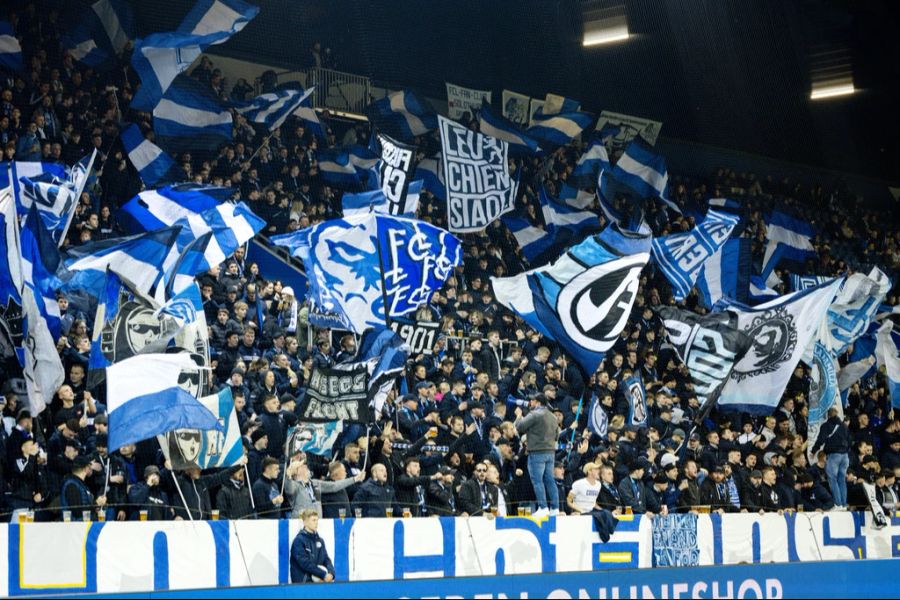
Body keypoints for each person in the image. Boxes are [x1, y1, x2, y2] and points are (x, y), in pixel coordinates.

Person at [514, 393, 560, 518]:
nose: (530, 403)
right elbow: (557, 435)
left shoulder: (534, 414)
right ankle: (555, 508)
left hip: (537, 452)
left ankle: (543, 507)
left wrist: (518, 416)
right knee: (550, 480)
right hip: (550, 452)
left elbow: (519, 427)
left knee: (537, 481)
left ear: (538, 402)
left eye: (532, 401)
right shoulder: (553, 416)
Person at [284, 456, 364, 518]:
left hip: (318, 521)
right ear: (296, 471)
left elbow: (334, 486)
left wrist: (355, 479)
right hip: (300, 522)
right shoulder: (294, 485)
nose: (306, 466)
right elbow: (289, 488)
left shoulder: (315, 483)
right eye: (302, 466)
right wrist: (288, 475)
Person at [811, 407, 850, 510]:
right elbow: (850, 440)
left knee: (832, 479)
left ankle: (837, 504)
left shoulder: (826, 425)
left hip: (833, 455)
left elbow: (821, 439)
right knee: (842, 479)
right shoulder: (844, 426)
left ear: (828, 415)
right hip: (845, 456)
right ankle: (844, 504)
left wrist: (814, 450)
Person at [290, 509, 335, 583]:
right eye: (313, 520)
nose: (316, 523)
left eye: (317, 520)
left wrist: (331, 573)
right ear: (305, 522)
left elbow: (326, 559)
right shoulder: (298, 541)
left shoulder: (320, 540)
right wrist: (323, 574)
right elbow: (305, 563)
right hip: (303, 583)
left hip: (319, 582)